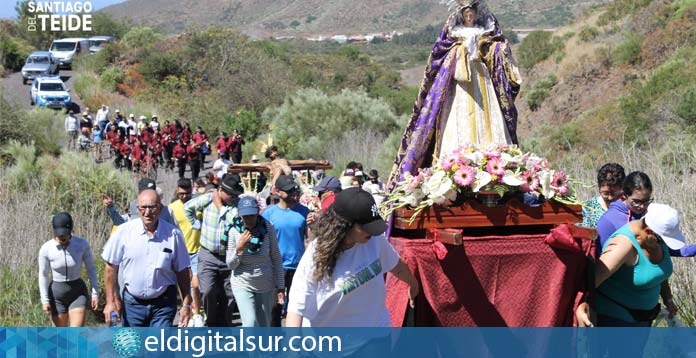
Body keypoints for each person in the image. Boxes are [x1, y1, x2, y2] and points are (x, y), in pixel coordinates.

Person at [386, 0, 521, 190]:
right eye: (466, 14)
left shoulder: (485, 31)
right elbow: (439, 54)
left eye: (472, 14)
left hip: (482, 79)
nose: (469, 17)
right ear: (460, 15)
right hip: (460, 84)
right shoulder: (453, 35)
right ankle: (455, 163)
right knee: (458, 116)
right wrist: (460, 53)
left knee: (488, 117)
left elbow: (493, 51)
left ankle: (495, 159)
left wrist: (498, 49)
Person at [286, 187, 419, 327]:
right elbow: (296, 307)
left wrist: (413, 284)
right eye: (365, 227)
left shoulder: (375, 241)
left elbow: (396, 266)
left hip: (375, 336)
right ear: (345, 225)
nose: (371, 232)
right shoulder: (316, 255)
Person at [577, 203, 685, 328]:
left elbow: (659, 272)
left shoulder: (657, 239)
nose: (663, 244)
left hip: (644, 319)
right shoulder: (623, 245)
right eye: (661, 240)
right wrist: (582, 305)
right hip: (617, 320)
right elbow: (591, 281)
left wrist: (668, 300)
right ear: (649, 231)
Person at [102, 189, 193, 327]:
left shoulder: (173, 235)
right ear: (137, 209)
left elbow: (183, 272)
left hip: (163, 304)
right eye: (143, 208)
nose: (147, 212)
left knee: (157, 346)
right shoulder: (124, 232)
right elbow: (110, 268)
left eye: (152, 207)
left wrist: (186, 304)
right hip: (132, 305)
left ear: (160, 208)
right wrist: (111, 302)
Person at [184, 174, 244, 326]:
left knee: (229, 293)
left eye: (235, 194)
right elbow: (188, 208)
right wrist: (196, 224)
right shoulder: (208, 198)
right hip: (208, 254)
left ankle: (225, 323)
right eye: (230, 194)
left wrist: (220, 207)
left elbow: (237, 223)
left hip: (229, 256)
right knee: (208, 290)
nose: (233, 197)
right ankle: (211, 321)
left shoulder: (238, 205)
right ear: (221, 190)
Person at [596, 171, 696, 258]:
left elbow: (665, 248)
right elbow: (603, 262)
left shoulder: (652, 214)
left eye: (646, 200)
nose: (643, 206)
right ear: (624, 196)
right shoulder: (608, 221)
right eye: (637, 201)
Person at [226, 196, 284, 326]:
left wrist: (280, 286)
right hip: (242, 283)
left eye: (252, 215)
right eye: (245, 216)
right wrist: (239, 248)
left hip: (265, 283)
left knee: (264, 325)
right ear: (240, 214)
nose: (249, 219)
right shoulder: (234, 231)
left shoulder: (268, 228)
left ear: (258, 212)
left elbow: (276, 257)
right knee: (250, 323)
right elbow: (230, 265)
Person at [261, 175, 311, 322]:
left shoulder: (304, 212)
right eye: (289, 191)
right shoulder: (269, 214)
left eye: (294, 190)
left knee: (297, 306)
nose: (293, 194)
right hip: (276, 266)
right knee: (275, 306)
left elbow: (309, 239)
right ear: (278, 192)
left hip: (298, 266)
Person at [38, 212, 99, 327]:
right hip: (56, 295)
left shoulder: (82, 244)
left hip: (77, 292)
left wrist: (95, 293)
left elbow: (91, 268)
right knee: (60, 337)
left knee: (75, 334)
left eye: (65, 234)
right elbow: (43, 275)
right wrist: (45, 300)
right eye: (59, 234)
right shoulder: (46, 248)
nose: (62, 237)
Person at [169, 178, 204, 320]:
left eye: (187, 193)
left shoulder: (199, 204)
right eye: (181, 194)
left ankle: (198, 312)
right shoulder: (172, 208)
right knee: (183, 284)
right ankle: (188, 310)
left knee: (196, 284)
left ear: (192, 191)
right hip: (181, 251)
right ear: (177, 191)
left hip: (198, 249)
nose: (184, 196)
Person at [580, 163, 625, 229]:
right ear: (599, 187)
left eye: (614, 193)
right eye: (606, 193)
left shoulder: (630, 206)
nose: (610, 198)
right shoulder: (588, 207)